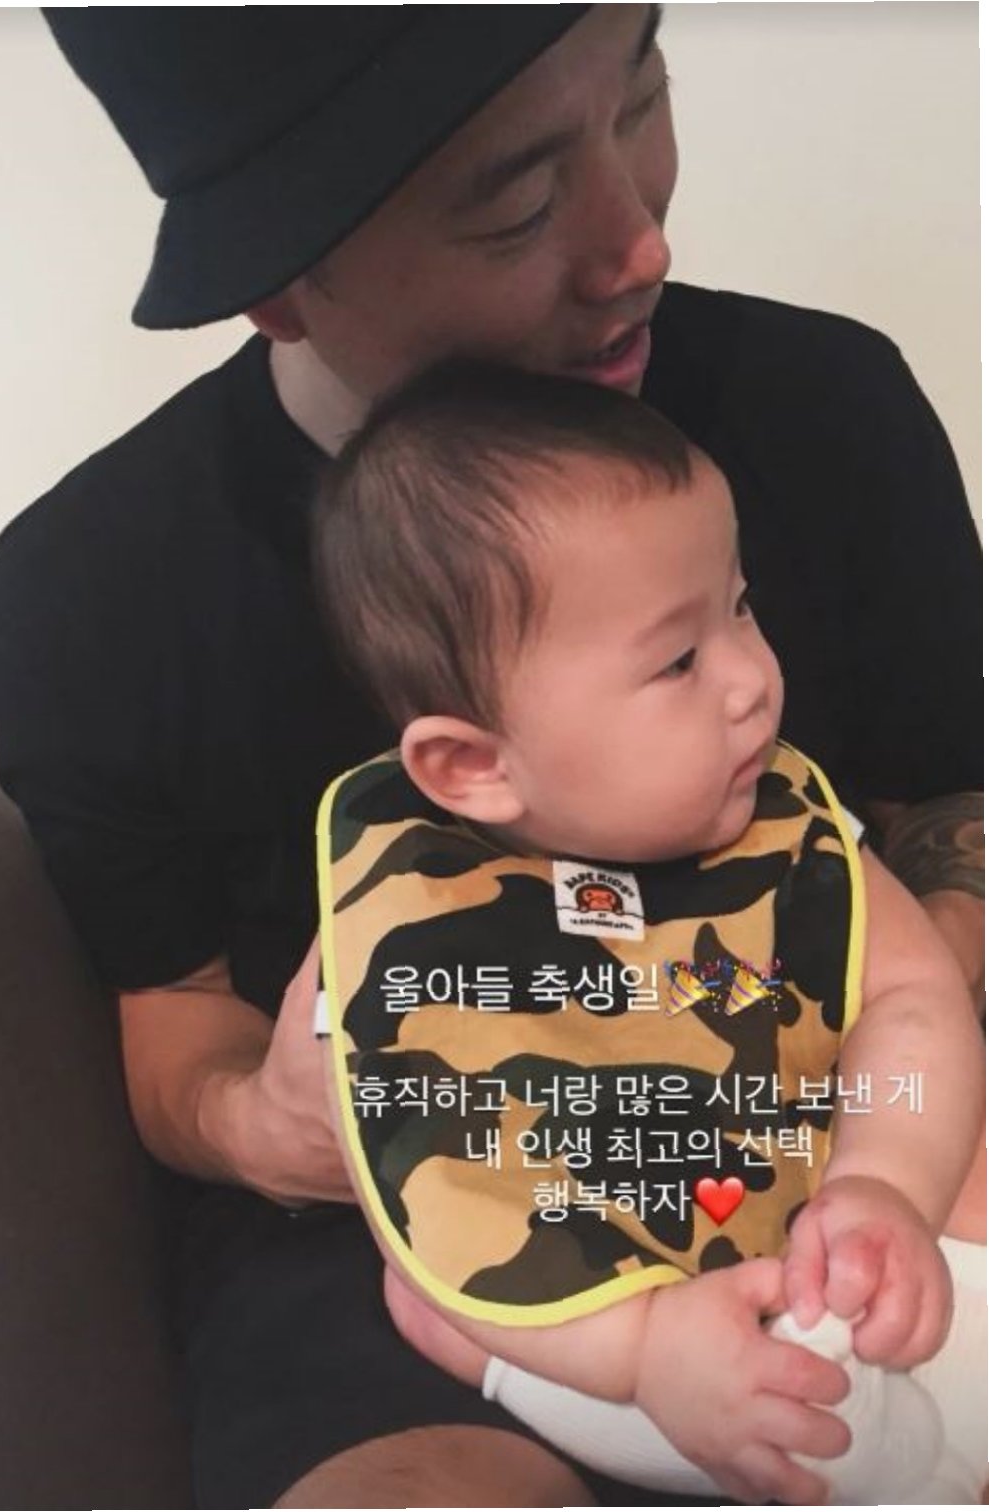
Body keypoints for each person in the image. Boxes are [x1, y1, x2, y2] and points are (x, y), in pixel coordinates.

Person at [0, 6, 982, 1507]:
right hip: (420, 1215)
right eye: (516, 206)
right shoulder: (87, 590)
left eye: (640, 97)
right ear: (280, 287)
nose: (637, 242)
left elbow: (943, 808)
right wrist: (267, 1124)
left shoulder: (824, 404)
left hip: (837, 1120)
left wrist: (894, 1082)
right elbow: (171, 1012)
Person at [311, 359, 987, 1505]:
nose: (751, 681)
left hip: (869, 1239)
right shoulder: (417, 914)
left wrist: (885, 1188)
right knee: (428, 1293)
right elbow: (439, 1172)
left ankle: (935, 1434)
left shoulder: (783, 823)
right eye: (678, 659)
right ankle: (854, 1457)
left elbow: (913, 999)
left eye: (740, 607)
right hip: (658, 1330)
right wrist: (641, 1348)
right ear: (473, 765)